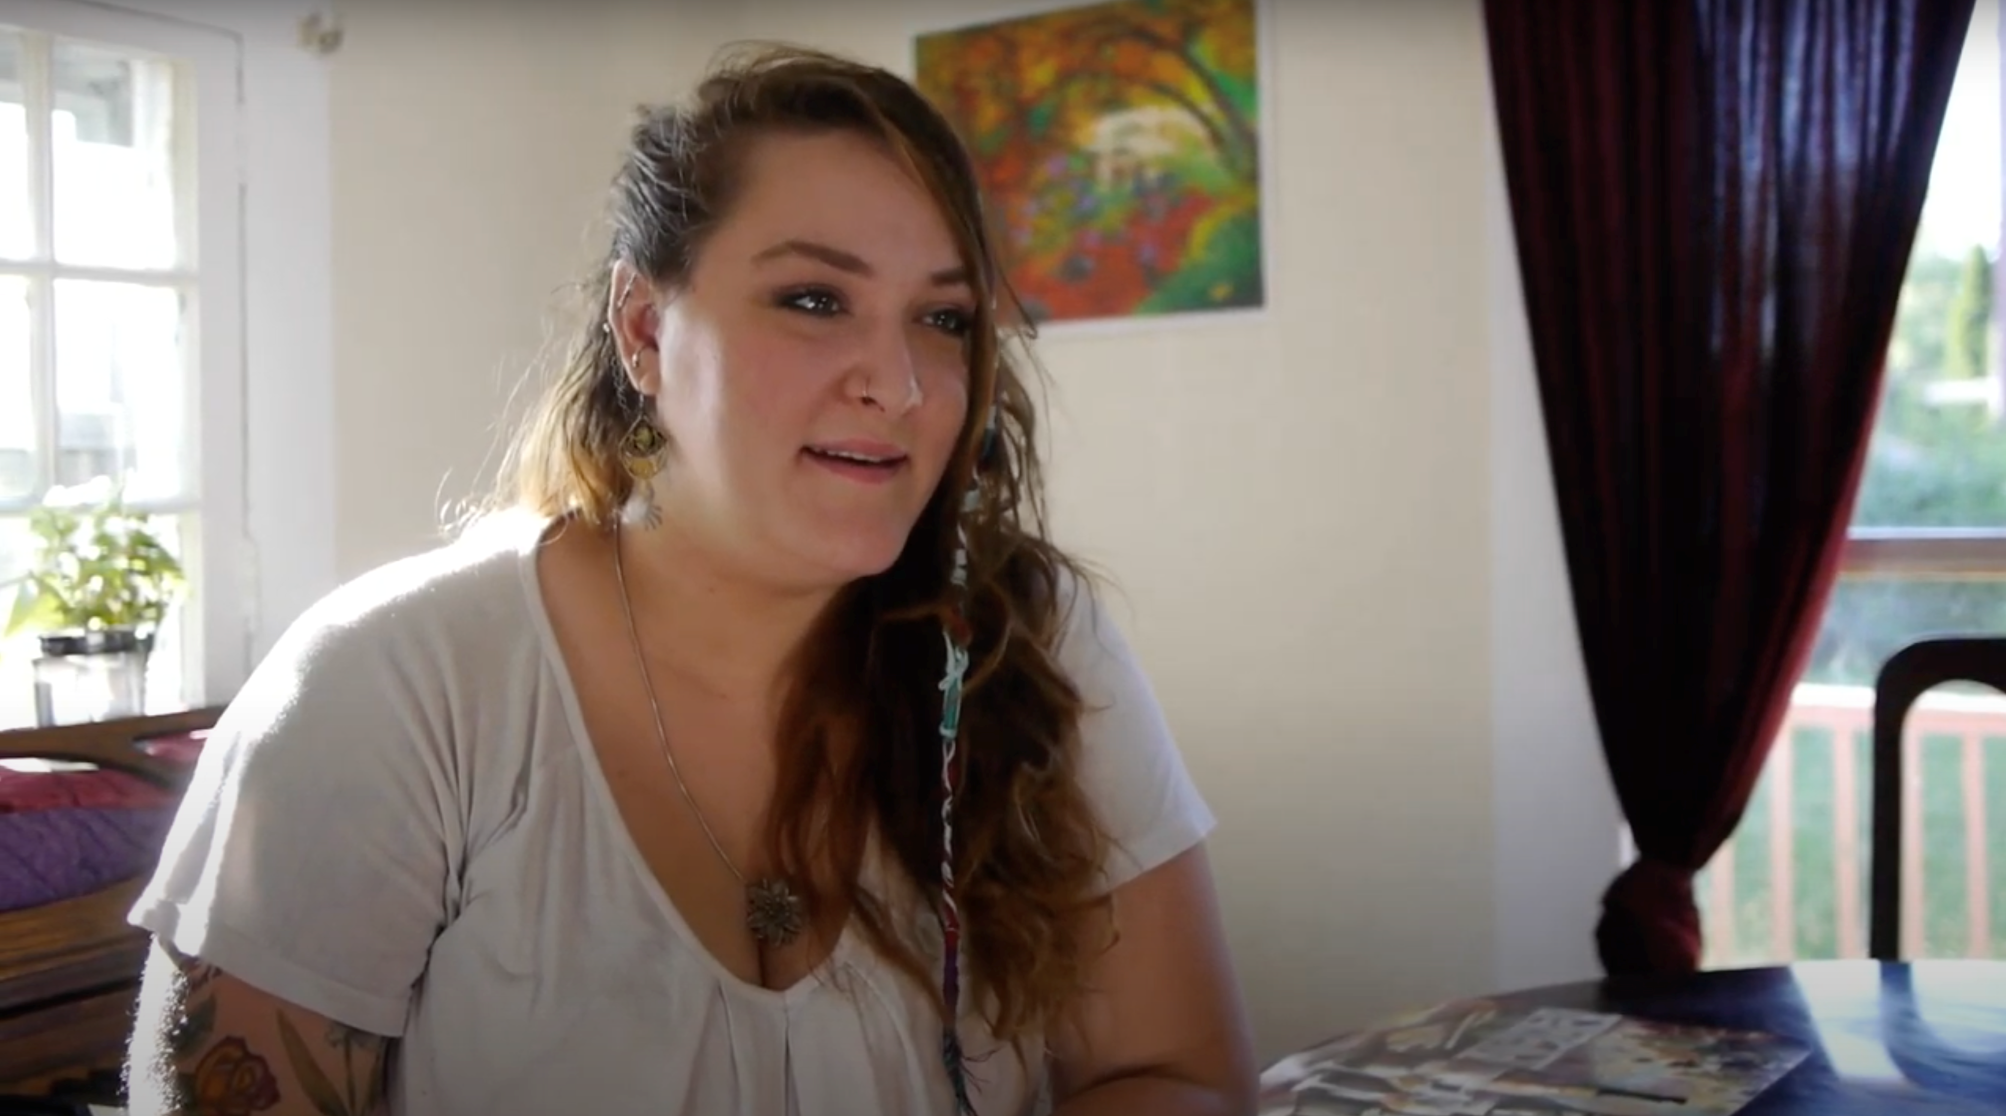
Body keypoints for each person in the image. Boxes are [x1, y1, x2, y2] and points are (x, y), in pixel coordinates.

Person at [123, 43, 1255, 1116]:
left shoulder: (1026, 641)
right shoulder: (392, 689)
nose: (899, 384)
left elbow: (1179, 1074)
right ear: (644, 329)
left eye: (942, 319)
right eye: (814, 299)